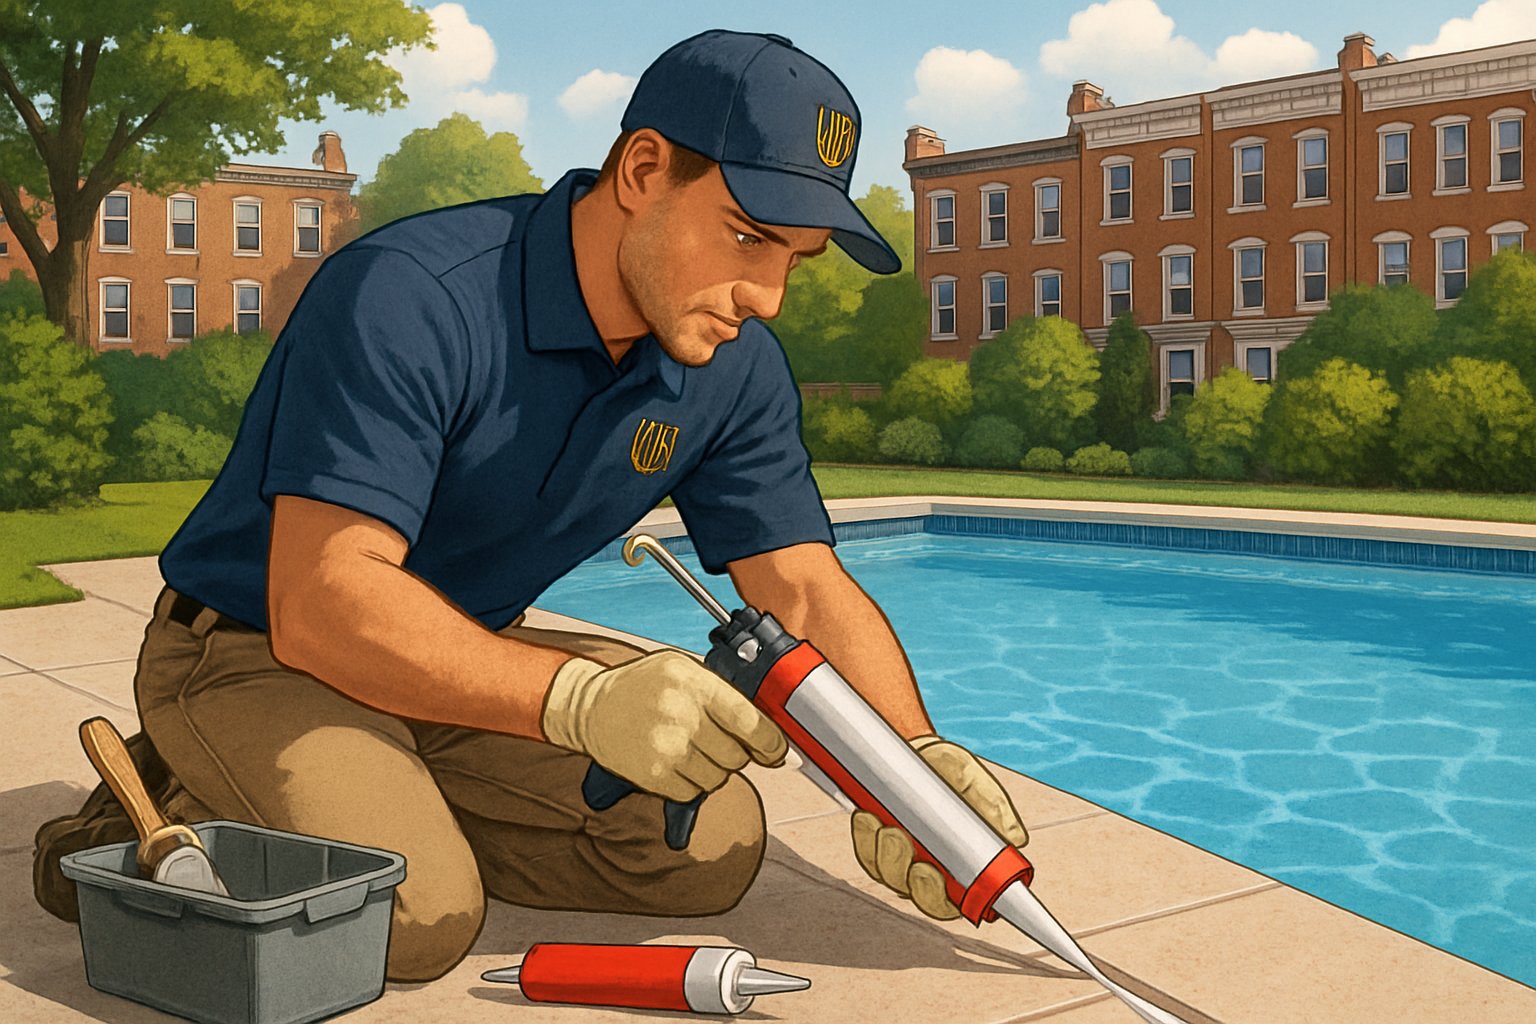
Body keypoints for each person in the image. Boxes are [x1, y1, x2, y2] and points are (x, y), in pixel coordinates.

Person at [124, 30, 1030, 981]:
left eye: (795, 259)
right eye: (749, 236)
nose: (767, 295)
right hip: (252, 648)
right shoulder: (410, 294)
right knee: (416, 916)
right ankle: (178, 792)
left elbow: (799, 584)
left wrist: (910, 763)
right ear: (643, 169)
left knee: (705, 843)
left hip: (465, 659)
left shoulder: (729, 360)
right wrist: (580, 700)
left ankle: (384, 795)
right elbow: (325, 600)